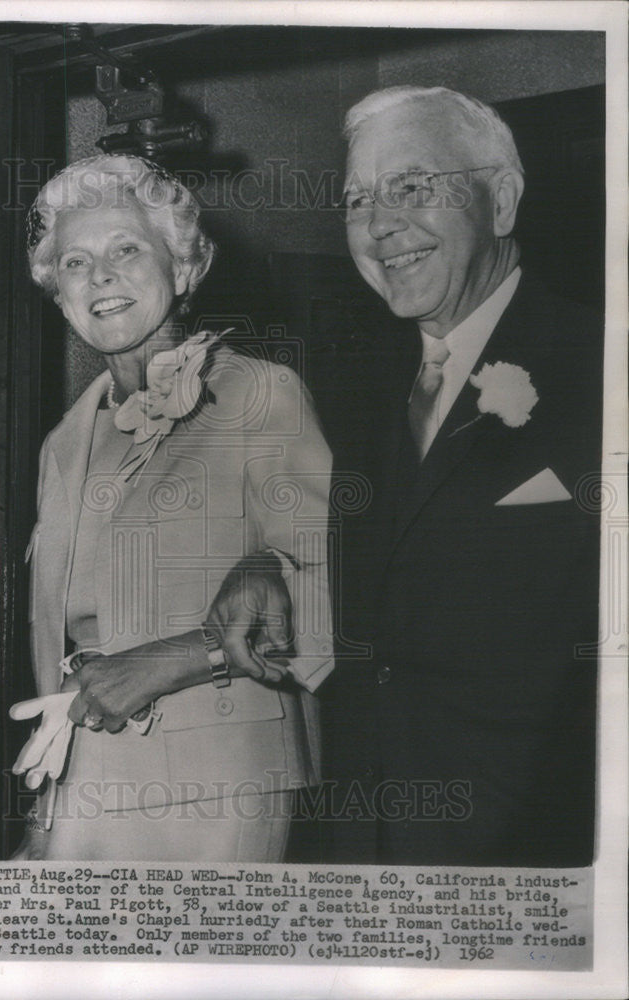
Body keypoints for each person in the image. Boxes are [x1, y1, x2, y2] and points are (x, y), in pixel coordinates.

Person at [8, 154, 333, 862]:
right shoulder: (64, 441)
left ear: (184, 268)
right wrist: (48, 796)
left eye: (126, 250)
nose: (100, 276)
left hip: (214, 778)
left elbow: (324, 581)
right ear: (58, 294)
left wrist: (170, 659)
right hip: (83, 770)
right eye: (74, 262)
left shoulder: (258, 394)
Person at [323, 86, 601, 866]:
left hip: (541, 860)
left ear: (501, 199)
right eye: (355, 200)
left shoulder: (605, 370)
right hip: (368, 854)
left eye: (412, 187)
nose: (378, 225)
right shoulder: (350, 386)